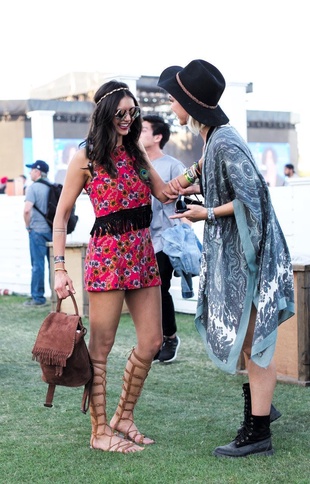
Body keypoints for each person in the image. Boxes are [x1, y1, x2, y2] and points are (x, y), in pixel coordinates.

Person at [158, 59, 295, 458]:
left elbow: (252, 196)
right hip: (242, 255)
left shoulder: (225, 140)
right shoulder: (215, 137)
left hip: (252, 259)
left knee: (254, 343)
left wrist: (207, 213)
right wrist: (176, 185)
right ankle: (261, 407)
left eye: (173, 99)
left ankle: (258, 432)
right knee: (250, 341)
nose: (170, 107)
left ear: (190, 102)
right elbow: (204, 171)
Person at [52, 80, 194, 454]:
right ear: (105, 113)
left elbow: (164, 192)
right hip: (107, 257)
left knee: (151, 342)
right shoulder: (86, 157)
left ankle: (123, 418)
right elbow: (62, 215)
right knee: (101, 348)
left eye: (133, 113)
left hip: (142, 252)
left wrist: (197, 172)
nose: (129, 119)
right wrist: (59, 268)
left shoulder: (137, 155)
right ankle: (99, 432)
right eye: (121, 113)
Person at [140, 114, 184, 363]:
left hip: (164, 238)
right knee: (147, 293)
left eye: (144, 130)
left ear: (158, 137)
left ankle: (170, 337)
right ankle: (155, 340)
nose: (138, 133)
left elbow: (181, 202)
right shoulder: (134, 163)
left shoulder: (172, 165)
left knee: (159, 289)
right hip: (140, 239)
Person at [23, 160, 52, 306]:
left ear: (38, 172)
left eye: (32, 169)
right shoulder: (53, 187)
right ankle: (56, 297)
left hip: (37, 232)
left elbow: (27, 209)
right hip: (53, 232)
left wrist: (28, 227)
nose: (30, 172)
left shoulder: (33, 188)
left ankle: (38, 298)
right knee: (53, 266)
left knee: (37, 265)